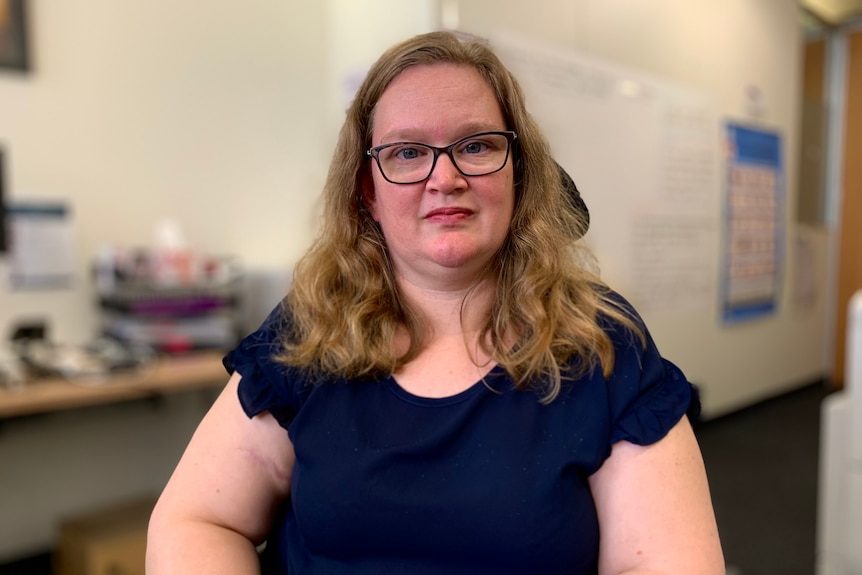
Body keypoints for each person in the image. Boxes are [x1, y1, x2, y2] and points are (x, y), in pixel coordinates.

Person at [146, 30, 724, 574]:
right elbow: (198, 520)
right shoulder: (310, 330)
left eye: (475, 146)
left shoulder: (603, 345)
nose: (444, 177)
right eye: (405, 153)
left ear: (519, 174)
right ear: (367, 191)